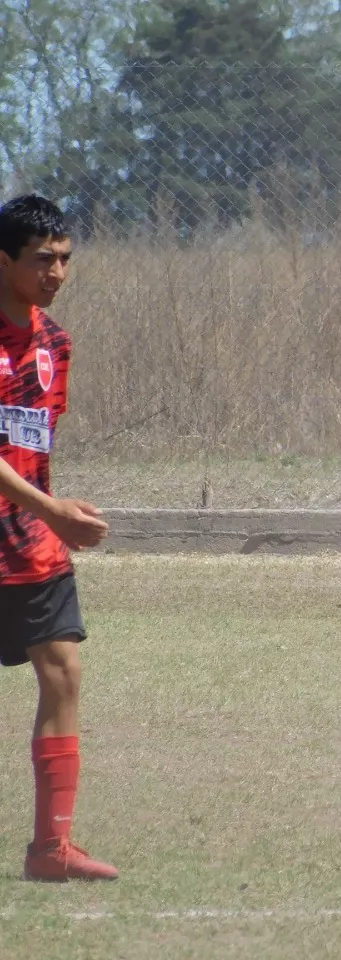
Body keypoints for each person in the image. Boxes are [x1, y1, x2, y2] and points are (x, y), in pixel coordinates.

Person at [0, 195, 116, 881]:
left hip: (30, 537)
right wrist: (53, 509)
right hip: (34, 521)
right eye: (42, 259)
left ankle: (52, 849)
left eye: (65, 259)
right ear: (4, 260)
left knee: (63, 670)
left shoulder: (56, 343)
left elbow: (27, 444)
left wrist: (51, 510)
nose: (57, 272)